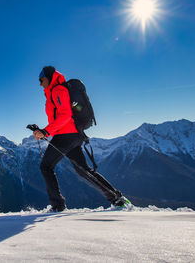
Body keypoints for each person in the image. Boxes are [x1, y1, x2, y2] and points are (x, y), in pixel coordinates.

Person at [33, 66, 128, 212]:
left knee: (46, 166)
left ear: (49, 77)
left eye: (41, 79)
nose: (40, 83)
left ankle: (58, 205)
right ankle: (117, 198)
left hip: (65, 135)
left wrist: (46, 132)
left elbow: (65, 115)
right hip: (72, 135)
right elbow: (60, 117)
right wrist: (43, 130)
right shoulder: (53, 92)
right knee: (84, 171)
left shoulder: (58, 90)